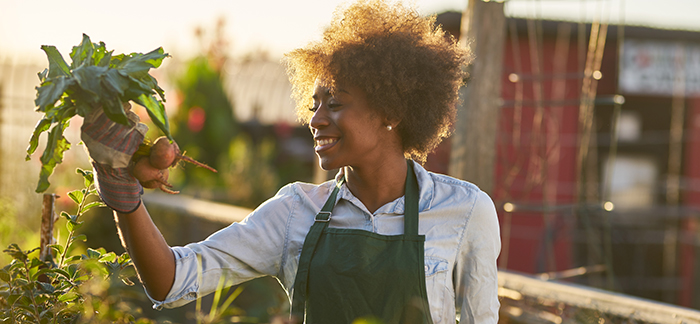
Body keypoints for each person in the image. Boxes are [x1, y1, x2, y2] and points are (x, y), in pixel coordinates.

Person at [80, 0, 501, 323]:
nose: (316, 120)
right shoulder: (295, 213)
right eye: (314, 103)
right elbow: (172, 281)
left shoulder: (464, 212)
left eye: (334, 104)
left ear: (391, 112)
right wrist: (123, 193)